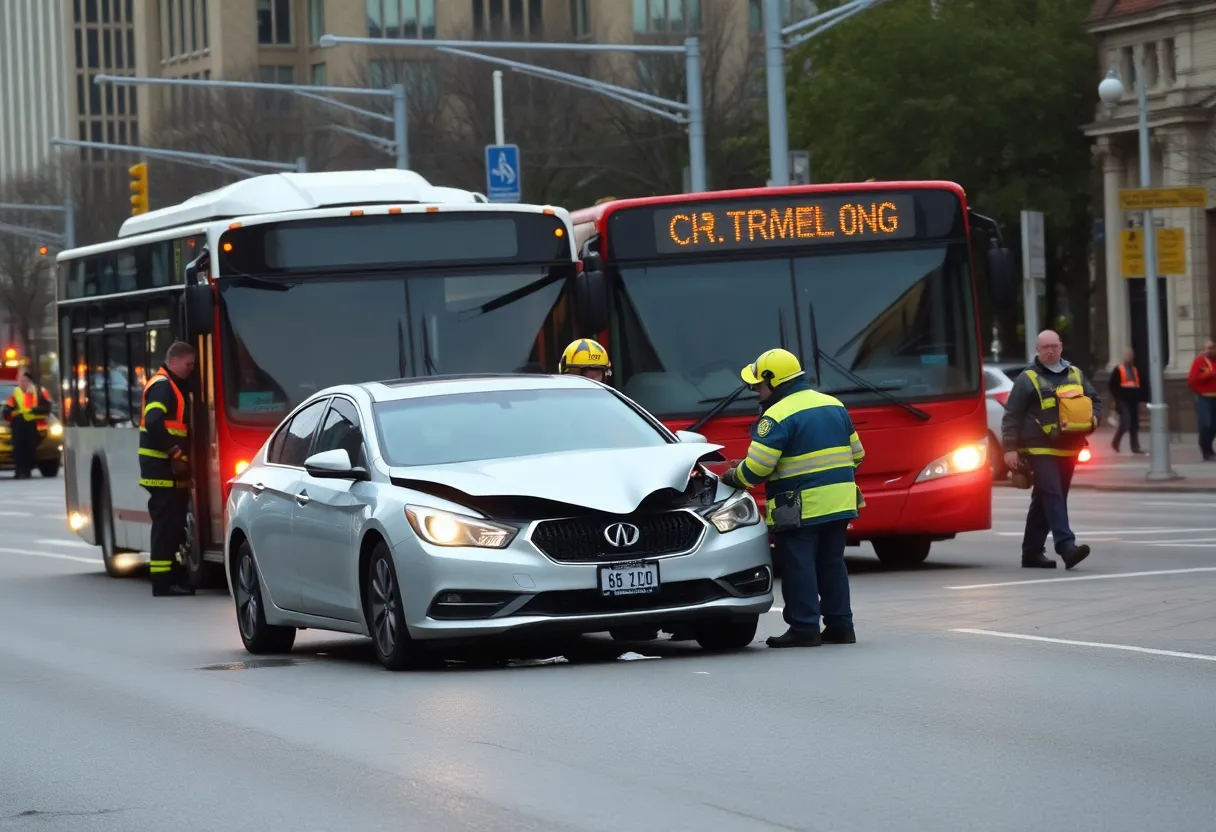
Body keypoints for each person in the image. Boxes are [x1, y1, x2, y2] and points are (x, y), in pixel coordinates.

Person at [719, 348, 864, 648]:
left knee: (800, 566)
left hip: (799, 508)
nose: (758, 393)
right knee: (832, 564)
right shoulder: (834, 405)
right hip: (840, 503)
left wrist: (732, 476)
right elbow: (858, 455)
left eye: (759, 386)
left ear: (773, 381)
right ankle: (840, 626)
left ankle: (804, 627)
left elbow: (757, 469)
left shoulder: (776, 416)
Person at [1001, 330, 1101, 570]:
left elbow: (1095, 401)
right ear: (1037, 350)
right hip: (1039, 448)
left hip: (1069, 448)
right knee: (1053, 495)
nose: (1050, 351)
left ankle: (1032, 552)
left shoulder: (1075, 374)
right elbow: (1011, 415)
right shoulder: (1028, 378)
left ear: (1061, 347)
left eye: (1054, 346)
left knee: (1047, 499)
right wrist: (1009, 449)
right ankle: (1067, 547)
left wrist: (1094, 420)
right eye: (1044, 347)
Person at [140, 341, 197, 597]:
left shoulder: (170, 385)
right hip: (161, 470)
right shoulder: (163, 386)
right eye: (189, 364)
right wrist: (174, 453)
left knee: (172, 527)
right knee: (165, 528)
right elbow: (154, 422)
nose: (191, 369)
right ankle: (162, 583)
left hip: (167, 471)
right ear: (173, 361)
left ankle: (171, 577)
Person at [2, 370, 52, 479]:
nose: (22, 383)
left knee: (30, 449)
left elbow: (47, 408)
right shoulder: (16, 393)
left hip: (35, 426)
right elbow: (7, 409)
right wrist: (10, 414)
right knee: (18, 449)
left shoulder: (40, 392)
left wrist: (35, 410)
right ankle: (20, 472)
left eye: (24, 380)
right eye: (20, 380)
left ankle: (27, 469)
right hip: (19, 425)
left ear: (30, 381)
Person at [1108, 346, 1143, 454]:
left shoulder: (1135, 370)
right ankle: (1115, 442)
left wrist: (1140, 398)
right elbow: (1112, 385)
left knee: (1134, 423)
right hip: (1123, 400)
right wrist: (1117, 398)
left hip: (1133, 400)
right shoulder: (1118, 369)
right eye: (1128, 355)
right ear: (1124, 357)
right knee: (1125, 421)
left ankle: (1135, 447)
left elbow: (1139, 385)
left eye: (1131, 355)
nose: (1130, 357)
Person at [1187, 337, 1216, 461]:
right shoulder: (1199, 362)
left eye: (1213, 348)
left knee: (1214, 426)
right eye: (1208, 348)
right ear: (1203, 350)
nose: (1211, 351)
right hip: (1204, 398)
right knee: (1206, 424)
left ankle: (1209, 450)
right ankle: (1205, 449)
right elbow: (1192, 380)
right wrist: (1207, 375)